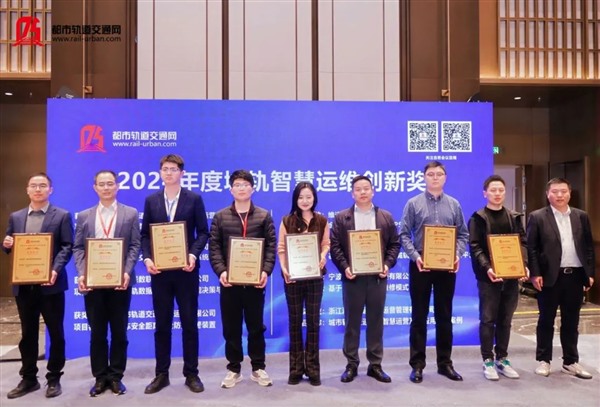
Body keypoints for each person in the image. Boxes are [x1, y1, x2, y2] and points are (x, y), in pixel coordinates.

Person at [140, 154, 209, 394]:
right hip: (160, 272)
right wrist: (147, 258)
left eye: (173, 169)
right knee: (162, 324)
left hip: (186, 271)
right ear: (160, 173)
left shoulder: (194, 199)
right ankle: (162, 374)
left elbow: (203, 232)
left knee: (189, 323)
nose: (169, 173)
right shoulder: (151, 200)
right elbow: (145, 235)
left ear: (182, 173)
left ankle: (192, 373)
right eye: (165, 169)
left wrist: (192, 255)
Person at [2, 172, 73, 399]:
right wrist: (6, 244)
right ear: (27, 190)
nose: (38, 189)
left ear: (50, 190)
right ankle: (29, 378)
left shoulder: (61, 215)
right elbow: (9, 245)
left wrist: (55, 270)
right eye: (34, 185)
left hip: (51, 284)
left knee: (56, 332)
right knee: (28, 334)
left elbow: (67, 247)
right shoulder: (16, 216)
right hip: (24, 286)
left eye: (43, 186)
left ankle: (54, 378)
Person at [399, 161, 469, 383]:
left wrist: (456, 255)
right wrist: (416, 257)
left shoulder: (454, 204)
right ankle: (417, 365)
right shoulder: (413, 203)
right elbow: (403, 234)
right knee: (419, 316)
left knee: (444, 316)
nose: (435, 177)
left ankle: (445, 364)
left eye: (439, 174)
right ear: (424, 177)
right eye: (431, 174)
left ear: (445, 178)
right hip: (421, 264)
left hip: (447, 265)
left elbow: (463, 235)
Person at [72, 170, 141, 396]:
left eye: (110, 183)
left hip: (120, 282)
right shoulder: (84, 215)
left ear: (117, 186)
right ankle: (100, 377)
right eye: (101, 184)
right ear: (95, 187)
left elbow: (135, 245)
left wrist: (126, 272)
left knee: (120, 332)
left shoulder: (130, 213)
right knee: (97, 333)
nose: (106, 188)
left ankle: (116, 376)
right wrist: (82, 273)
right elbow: (78, 247)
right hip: (93, 283)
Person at [209, 170, 276, 388]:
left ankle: (258, 367)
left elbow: (271, 247)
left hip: (255, 283)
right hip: (230, 283)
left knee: (256, 327)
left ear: (252, 189)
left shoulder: (263, 216)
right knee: (231, 328)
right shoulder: (220, 216)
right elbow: (214, 248)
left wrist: (265, 271)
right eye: (237, 184)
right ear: (231, 190)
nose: (241, 188)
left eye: (246, 184)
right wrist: (221, 271)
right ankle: (233, 369)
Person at [330, 175, 400, 384]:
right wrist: (345, 267)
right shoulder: (342, 218)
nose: (362, 192)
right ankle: (351, 364)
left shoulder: (385, 217)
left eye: (366, 188)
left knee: (375, 322)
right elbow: (335, 246)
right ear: (352, 193)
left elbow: (395, 244)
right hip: (353, 278)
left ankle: (375, 365)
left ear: (373, 191)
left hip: (377, 278)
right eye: (358, 189)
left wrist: (386, 265)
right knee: (352, 323)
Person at [527, 177, 595, 379]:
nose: (559, 195)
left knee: (571, 321)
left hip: (575, 276)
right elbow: (532, 248)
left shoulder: (581, 216)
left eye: (563, 191)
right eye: (555, 191)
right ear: (547, 194)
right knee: (546, 320)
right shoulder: (538, 217)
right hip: (549, 277)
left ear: (570, 193)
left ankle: (570, 361)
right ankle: (544, 360)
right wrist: (535, 273)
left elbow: (588, 247)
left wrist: (590, 273)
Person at [468, 175, 529, 381]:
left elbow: (523, 243)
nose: (497, 194)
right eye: (493, 190)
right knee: (488, 319)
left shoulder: (514, 217)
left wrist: (524, 265)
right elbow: (475, 246)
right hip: (489, 278)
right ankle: (487, 360)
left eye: (501, 190)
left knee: (506, 319)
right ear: (485, 193)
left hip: (511, 276)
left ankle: (502, 358)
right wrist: (487, 268)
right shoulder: (478, 218)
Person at [277, 182, 330, 386]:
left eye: (308, 197)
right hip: (293, 279)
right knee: (295, 322)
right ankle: (296, 369)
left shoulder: (322, 220)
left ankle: (313, 369)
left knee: (314, 323)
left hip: (315, 278)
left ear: (314, 198)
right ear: (295, 199)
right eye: (301, 197)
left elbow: (326, 244)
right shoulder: (287, 221)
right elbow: (282, 248)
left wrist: (323, 256)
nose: (305, 201)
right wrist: (284, 268)